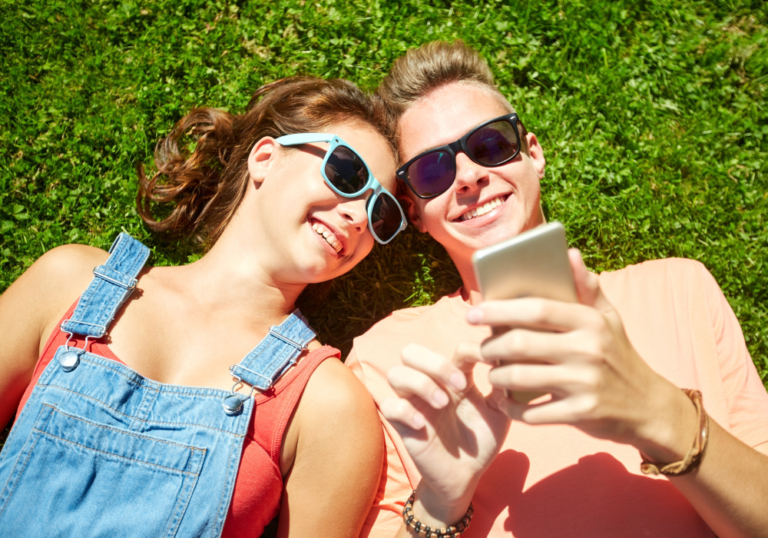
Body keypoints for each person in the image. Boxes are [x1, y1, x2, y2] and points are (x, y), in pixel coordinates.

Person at [346, 41, 768, 537]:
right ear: (415, 211)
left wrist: (659, 412)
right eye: (432, 171)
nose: (468, 176)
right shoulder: (387, 359)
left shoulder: (679, 290)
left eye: (489, 146)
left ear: (533, 153)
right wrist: (439, 503)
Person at [0, 77, 409, 537]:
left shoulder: (328, 406)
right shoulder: (70, 281)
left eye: (382, 212)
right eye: (348, 174)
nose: (359, 216)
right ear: (266, 158)